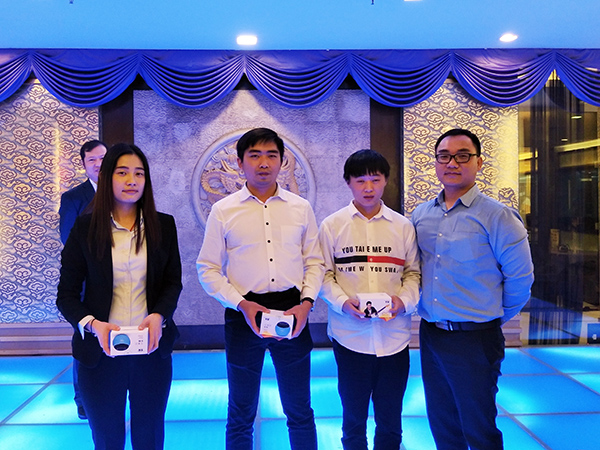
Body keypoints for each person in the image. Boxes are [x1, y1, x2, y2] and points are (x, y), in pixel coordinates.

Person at [196, 128, 324, 450]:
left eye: (271, 155)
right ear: (240, 163)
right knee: (240, 410)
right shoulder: (223, 210)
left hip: (293, 310)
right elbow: (207, 268)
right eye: (254, 155)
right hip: (244, 312)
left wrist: (306, 304)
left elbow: (315, 262)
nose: (263, 163)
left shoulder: (300, 208)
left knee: (299, 408)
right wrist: (241, 303)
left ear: (282, 161)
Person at [411, 129, 534, 450]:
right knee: (442, 423)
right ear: (436, 162)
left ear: (478, 162)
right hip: (431, 334)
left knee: (479, 429)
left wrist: (490, 316)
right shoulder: (421, 215)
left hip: (475, 339)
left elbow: (521, 279)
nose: (452, 163)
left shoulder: (497, 216)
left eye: (462, 155)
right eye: (444, 156)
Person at [56, 143, 182, 450]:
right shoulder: (85, 228)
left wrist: (159, 315)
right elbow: (66, 294)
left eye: (139, 173)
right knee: (107, 439)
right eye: (122, 172)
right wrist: (93, 325)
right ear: (107, 176)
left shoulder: (163, 225)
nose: (132, 180)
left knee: (149, 438)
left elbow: (172, 283)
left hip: (150, 350)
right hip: (100, 354)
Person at [319, 149, 420, 450]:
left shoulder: (402, 226)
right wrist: (342, 303)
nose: (368, 188)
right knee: (353, 420)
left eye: (375, 180)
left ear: (386, 181)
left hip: (394, 339)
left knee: (390, 421)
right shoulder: (332, 226)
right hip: (350, 338)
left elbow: (413, 274)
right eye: (360, 180)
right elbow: (322, 275)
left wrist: (403, 302)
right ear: (348, 182)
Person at [58, 139, 107, 420]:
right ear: (84, 164)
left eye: (103, 158)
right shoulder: (73, 198)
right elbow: (69, 241)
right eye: (92, 160)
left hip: (120, 280)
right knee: (85, 336)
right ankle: (82, 398)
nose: (99, 164)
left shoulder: (122, 193)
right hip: (87, 280)